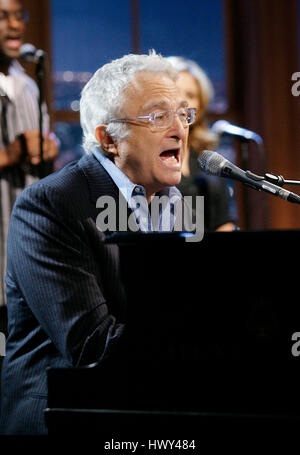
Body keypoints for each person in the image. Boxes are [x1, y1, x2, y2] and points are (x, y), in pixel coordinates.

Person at [0, 50, 196, 434]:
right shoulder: (52, 204)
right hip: (64, 417)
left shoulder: (179, 202)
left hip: (146, 407)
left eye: (183, 114)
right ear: (109, 139)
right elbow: (93, 347)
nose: (179, 129)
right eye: (159, 117)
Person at [0, 0, 58, 341]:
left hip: (23, 234)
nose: (14, 25)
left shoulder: (28, 84)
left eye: (18, 16)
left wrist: (47, 148)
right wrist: (10, 154)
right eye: (2, 16)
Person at [166, 56, 237, 232]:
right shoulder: (151, 157)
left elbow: (223, 222)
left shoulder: (207, 159)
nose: (182, 101)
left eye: (190, 95)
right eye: (175, 92)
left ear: (201, 105)